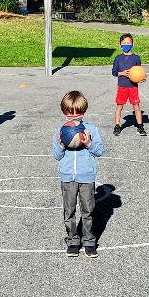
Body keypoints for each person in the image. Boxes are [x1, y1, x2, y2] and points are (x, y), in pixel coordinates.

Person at [52, 90, 104, 258]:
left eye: (78, 112)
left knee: (88, 210)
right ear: (64, 111)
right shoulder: (60, 130)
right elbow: (56, 156)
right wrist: (61, 145)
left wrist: (89, 143)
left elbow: (100, 151)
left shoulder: (91, 129)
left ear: (84, 111)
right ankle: (73, 240)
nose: (73, 117)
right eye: (69, 113)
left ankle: (89, 241)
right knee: (69, 210)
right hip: (68, 176)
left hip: (86, 176)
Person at [112, 33, 146, 136]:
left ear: (132, 44)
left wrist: (142, 78)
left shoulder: (136, 58)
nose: (126, 45)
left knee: (136, 106)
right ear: (120, 45)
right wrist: (121, 73)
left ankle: (140, 127)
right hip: (122, 87)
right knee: (119, 106)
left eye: (128, 43)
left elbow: (139, 72)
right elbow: (114, 72)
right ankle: (117, 126)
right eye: (124, 43)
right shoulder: (118, 58)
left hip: (133, 87)